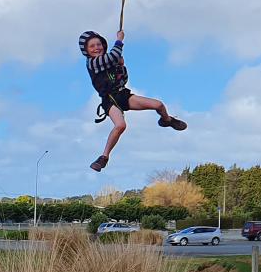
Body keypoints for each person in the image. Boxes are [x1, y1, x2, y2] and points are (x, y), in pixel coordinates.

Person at [79, 29, 185, 172]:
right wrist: (119, 40)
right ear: (86, 51)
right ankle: (104, 157)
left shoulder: (111, 61)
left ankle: (167, 120)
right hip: (109, 100)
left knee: (158, 105)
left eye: (99, 44)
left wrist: (121, 66)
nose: (97, 48)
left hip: (123, 95)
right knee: (120, 125)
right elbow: (113, 55)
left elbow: (123, 78)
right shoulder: (92, 63)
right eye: (92, 46)